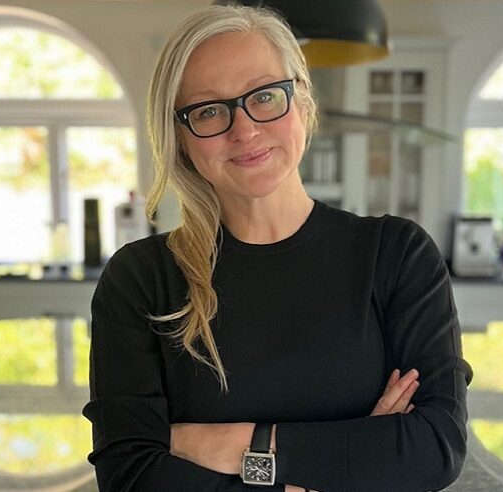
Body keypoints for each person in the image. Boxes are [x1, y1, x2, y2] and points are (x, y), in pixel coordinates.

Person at [82, 5, 472, 491]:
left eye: (265, 96)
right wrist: (355, 454)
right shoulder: (141, 278)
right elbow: (129, 476)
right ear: (181, 138)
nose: (243, 130)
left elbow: (435, 449)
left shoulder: (396, 254)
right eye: (208, 110)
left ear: (303, 103)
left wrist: (233, 445)